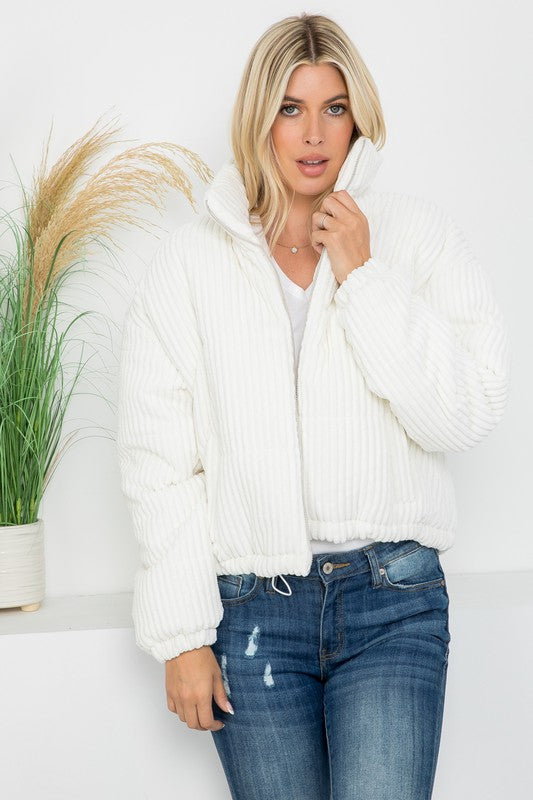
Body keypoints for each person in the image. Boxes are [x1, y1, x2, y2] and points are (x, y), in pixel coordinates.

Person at [116, 12, 511, 800]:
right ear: (257, 119)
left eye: (333, 107)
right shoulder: (189, 264)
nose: (312, 133)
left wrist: (363, 277)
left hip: (393, 601)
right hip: (252, 610)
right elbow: (159, 462)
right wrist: (181, 634)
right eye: (289, 108)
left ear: (357, 116)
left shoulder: (417, 238)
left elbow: (465, 413)